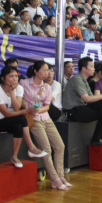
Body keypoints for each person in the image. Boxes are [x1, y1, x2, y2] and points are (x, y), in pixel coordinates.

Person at [0, 66, 48, 168]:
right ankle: (31, 147)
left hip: (8, 119)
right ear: (3, 79)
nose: (14, 79)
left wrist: (12, 92)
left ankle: (14, 157)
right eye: (11, 76)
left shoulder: (19, 88)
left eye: (16, 76)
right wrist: (26, 111)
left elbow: (16, 108)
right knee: (21, 118)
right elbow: (6, 113)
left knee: (18, 127)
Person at [21, 62, 69, 190]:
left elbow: (47, 106)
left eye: (48, 70)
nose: (47, 73)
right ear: (36, 71)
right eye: (44, 70)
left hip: (46, 118)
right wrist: (24, 104)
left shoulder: (47, 87)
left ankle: (60, 175)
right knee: (46, 149)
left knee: (60, 146)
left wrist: (38, 110)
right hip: (33, 120)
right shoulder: (24, 83)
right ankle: (54, 179)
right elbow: (18, 97)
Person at [62, 57, 102, 146]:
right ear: (84, 69)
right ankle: (99, 136)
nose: (94, 69)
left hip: (82, 107)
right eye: (92, 66)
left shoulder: (84, 80)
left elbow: (92, 97)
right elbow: (87, 99)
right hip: (73, 111)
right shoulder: (77, 79)